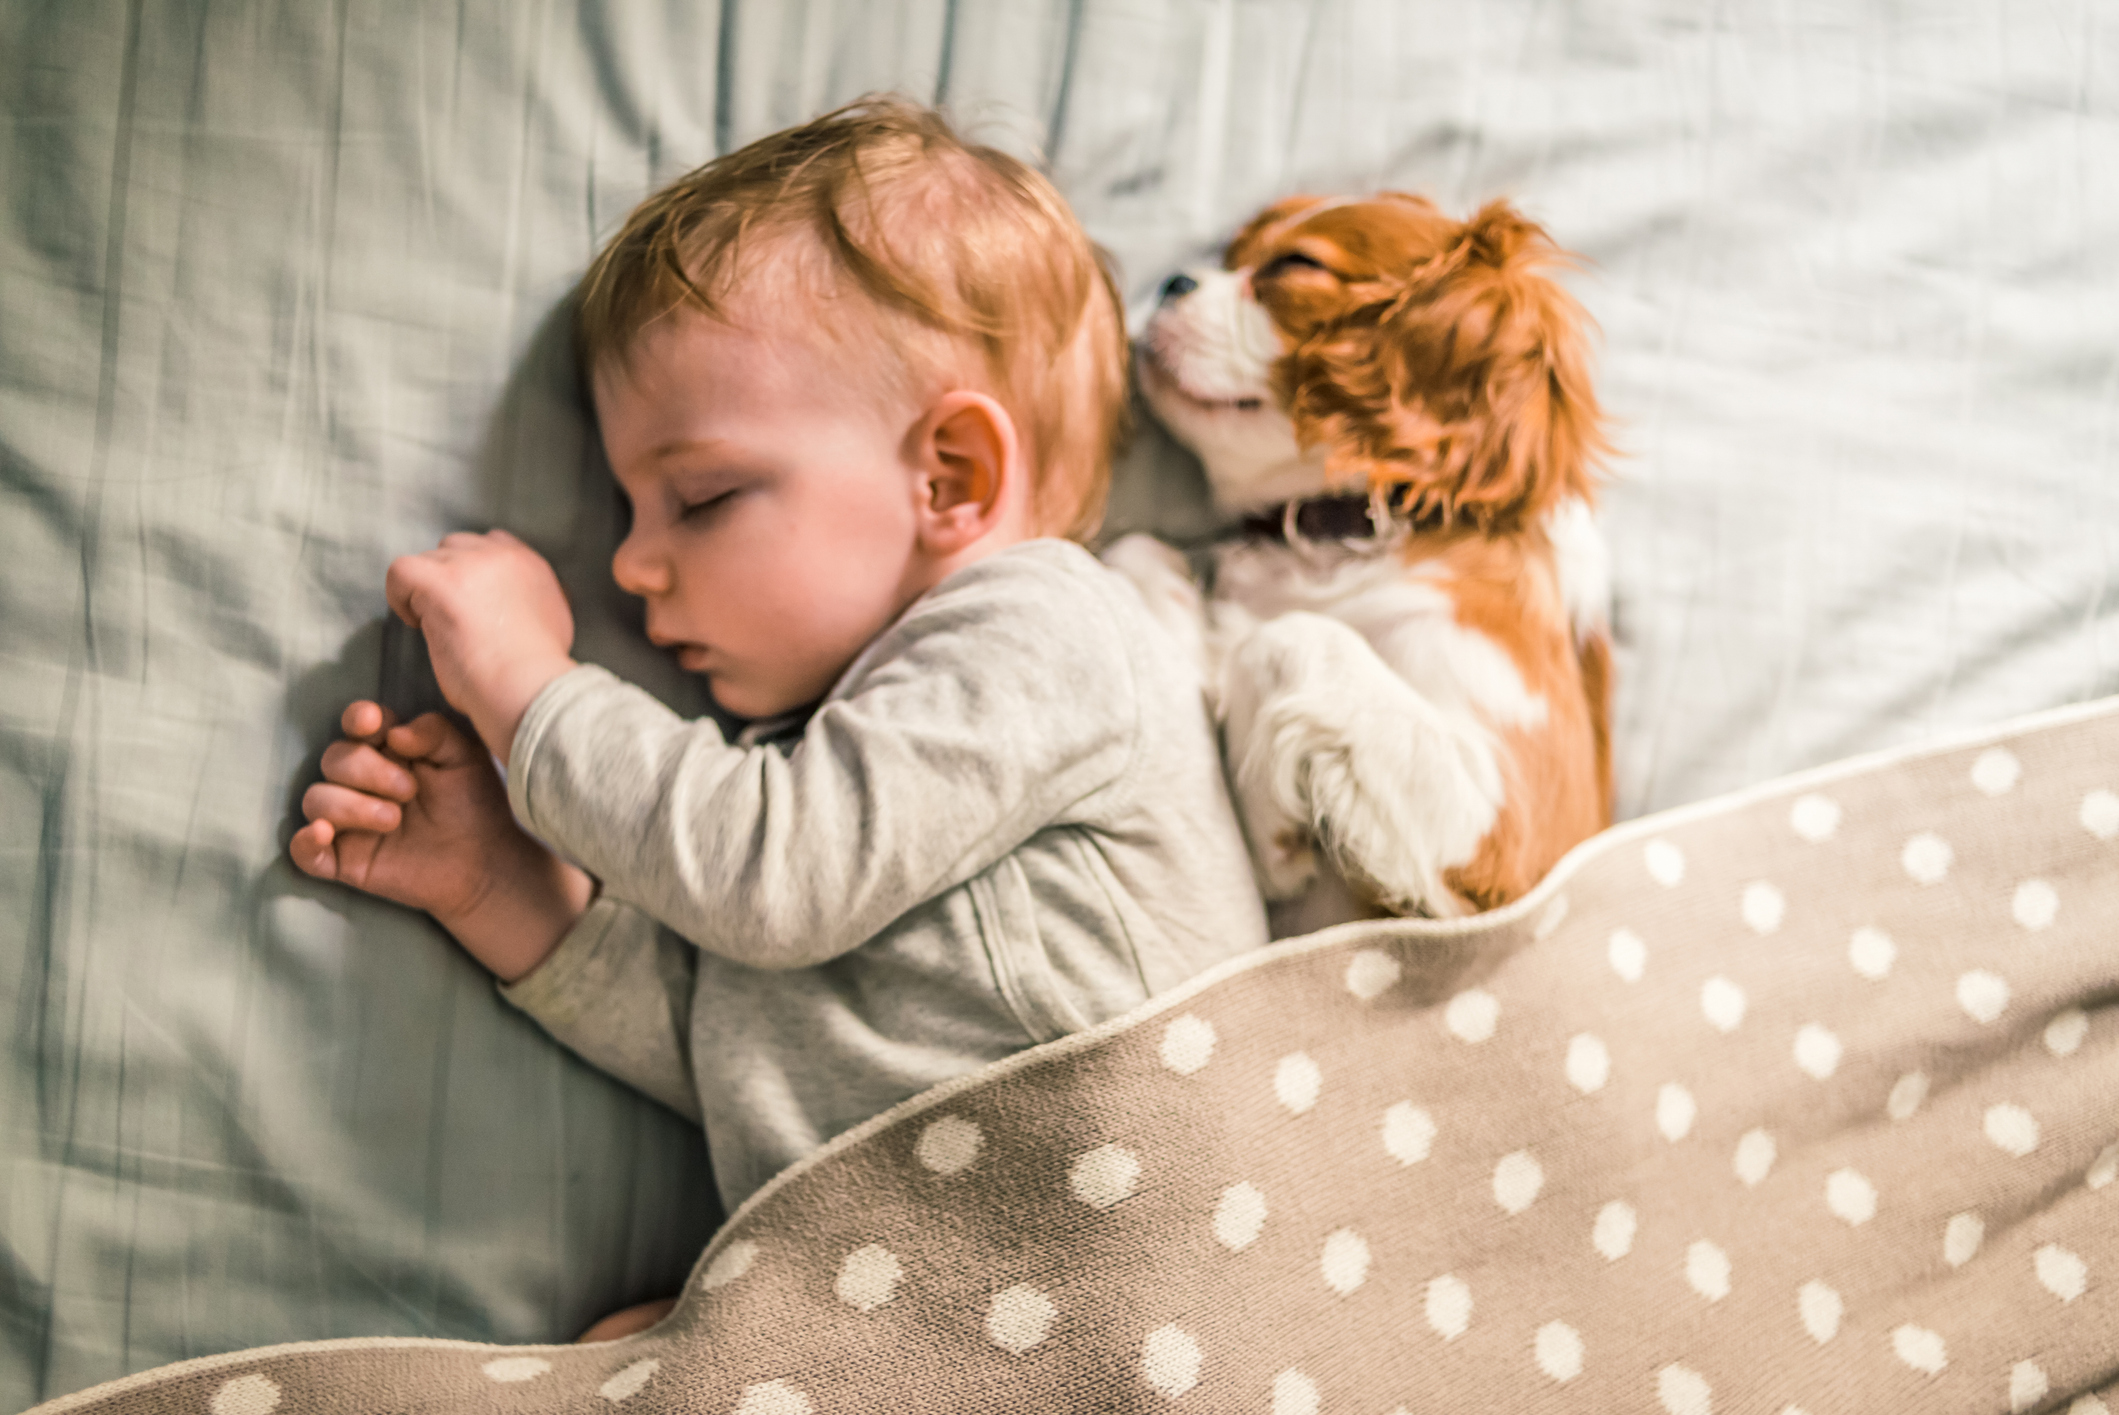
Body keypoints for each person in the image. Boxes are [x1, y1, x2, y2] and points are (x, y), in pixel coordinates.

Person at [287, 97, 1268, 1339]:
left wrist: (530, 685)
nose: (636, 566)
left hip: (1137, 1300)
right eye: (629, 511)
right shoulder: (825, 762)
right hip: (946, 1309)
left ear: (948, 479)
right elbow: (747, 1056)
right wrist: (506, 889)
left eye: (700, 496)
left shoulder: (1050, 626)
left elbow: (772, 876)